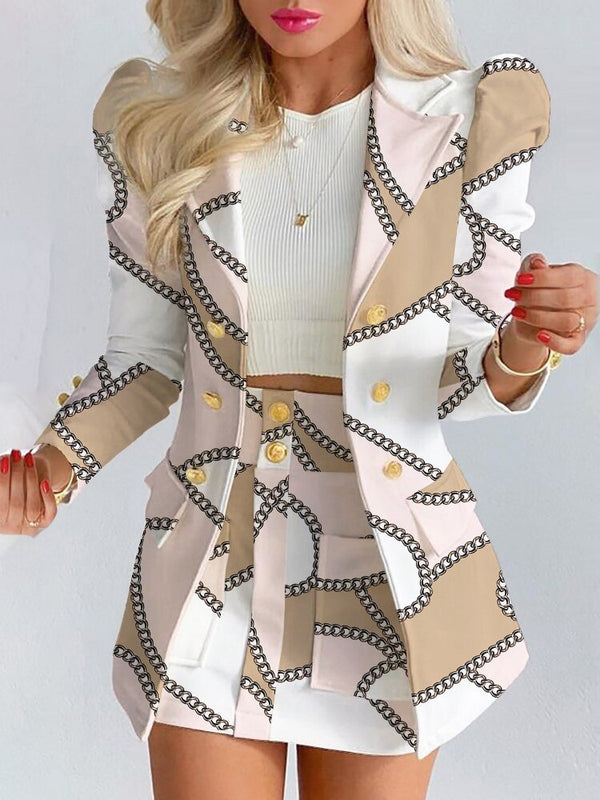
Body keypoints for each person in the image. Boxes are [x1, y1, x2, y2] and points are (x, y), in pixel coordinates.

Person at [2, 1, 597, 798]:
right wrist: (50, 468)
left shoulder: (470, 120)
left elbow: (462, 369)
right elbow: (146, 358)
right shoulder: (163, 120)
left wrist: (531, 339)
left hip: (389, 570)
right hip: (211, 559)